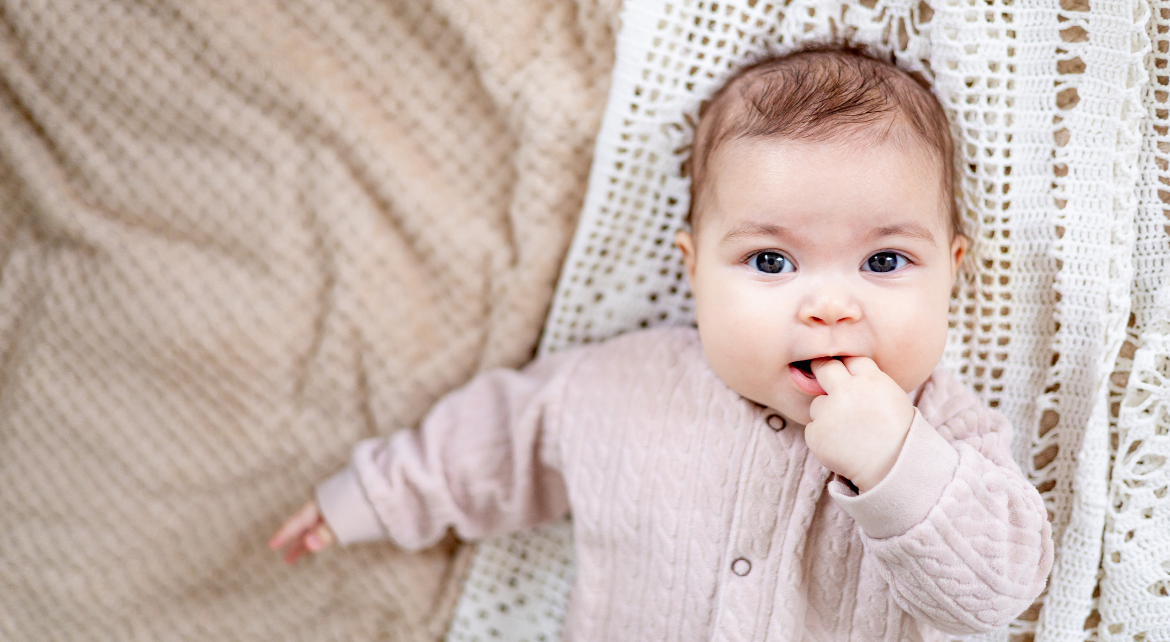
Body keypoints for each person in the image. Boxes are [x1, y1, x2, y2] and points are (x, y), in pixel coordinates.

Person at [270, 45, 1053, 641]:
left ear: (950, 273)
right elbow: (490, 444)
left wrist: (895, 461)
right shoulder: (616, 386)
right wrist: (369, 496)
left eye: (885, 261)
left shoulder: (944, 435)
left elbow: (997, 592)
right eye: (770, 262)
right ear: (694, 271)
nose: (829, 305)